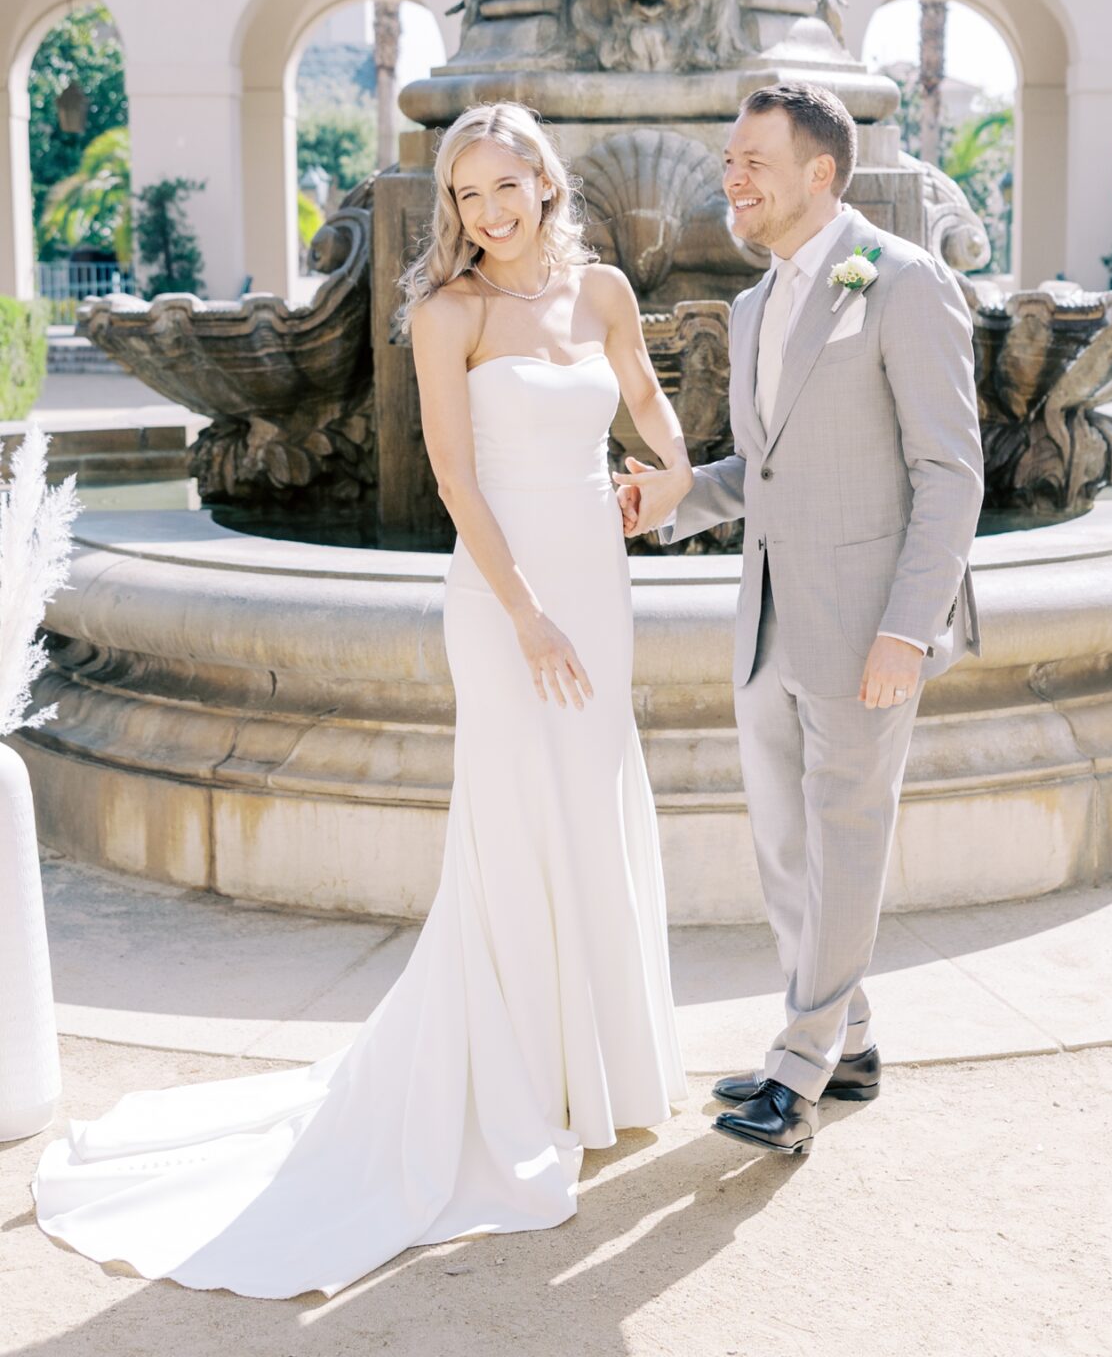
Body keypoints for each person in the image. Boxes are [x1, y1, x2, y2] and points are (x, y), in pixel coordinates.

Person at [31, 101, 688, 1299]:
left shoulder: (599, 295)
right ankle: (519, 1077)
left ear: (545, 182)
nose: (487, 213)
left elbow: (644, 398)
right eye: (466, 196)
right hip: (505, 596)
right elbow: (449, 473)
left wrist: (676, 468)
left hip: (599, 581)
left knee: (592, 803)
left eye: (505, 186)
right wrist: (527, 609)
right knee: (515, 818)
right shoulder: (445, 312)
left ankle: (599, 1074)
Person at [617, 81, 983, 1159]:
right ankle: (850, 1037)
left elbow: (950, 474)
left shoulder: (907, 283)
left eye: (751, 160)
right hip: (768, 623)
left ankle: (798, 1065)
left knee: (846, 841)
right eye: (728, 158)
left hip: (868, 625)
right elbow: (765, 469)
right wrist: (679, 497)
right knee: (784, 847)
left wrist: (906, 629)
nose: (730, 176)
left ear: (820, 172)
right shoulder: (750, 304)